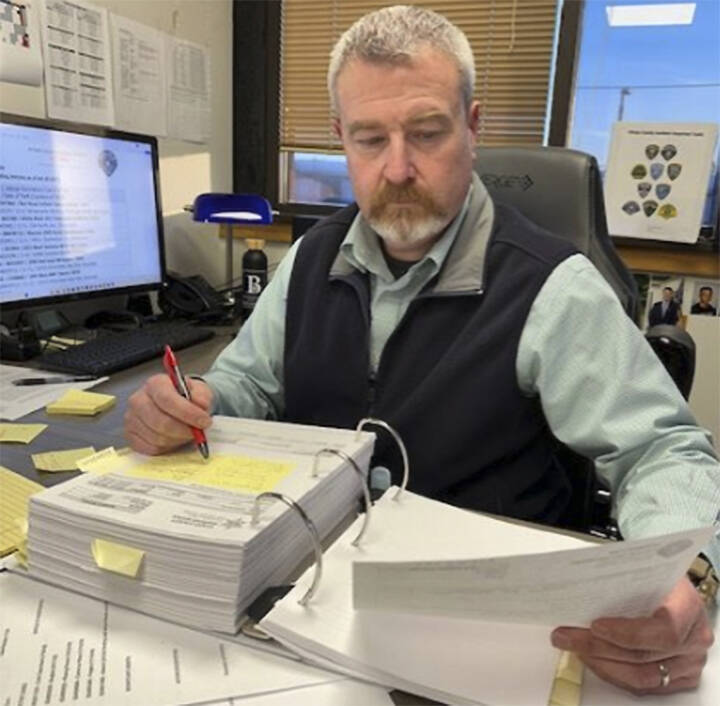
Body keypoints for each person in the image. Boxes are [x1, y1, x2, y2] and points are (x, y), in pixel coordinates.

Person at [124, 6, 720, 697]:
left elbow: (661, 450)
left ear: (472, 127)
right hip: (314, 603)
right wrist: (193, 405)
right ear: (341, 139)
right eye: (370, 139)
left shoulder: (553, 285)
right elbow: (246, 386)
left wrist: (685, 575)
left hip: (488, 628)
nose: (398, 167)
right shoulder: (310, 258)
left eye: (428, 133)